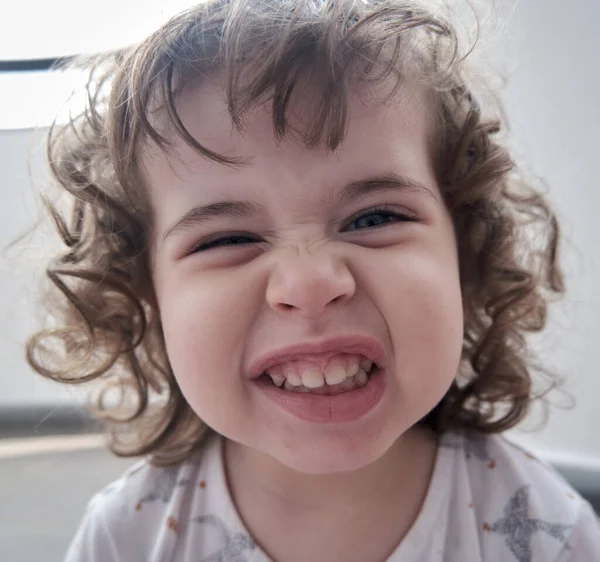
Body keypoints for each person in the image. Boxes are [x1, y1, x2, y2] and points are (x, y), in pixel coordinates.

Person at [25, 0, 600, 560]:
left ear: (465, 253)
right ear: (147, 299)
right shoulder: (127, 539)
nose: (309, 284)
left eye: (375, 218)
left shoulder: (548, 532)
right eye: (227, 239)